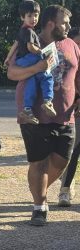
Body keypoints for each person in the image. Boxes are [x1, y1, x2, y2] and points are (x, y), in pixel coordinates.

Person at [7, 5, 80, 226]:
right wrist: (38, 67)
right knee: (38, 162)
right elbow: (12, 73)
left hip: (66, 114)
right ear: (51, 23)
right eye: (64, 22)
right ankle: (40, 206)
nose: (68, 26)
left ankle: (37, 187)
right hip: (34, 114)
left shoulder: (72, 46)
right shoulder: (29, 43)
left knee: (62, 160)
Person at [4, 1, 55, 125]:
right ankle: (48, 101)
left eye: (36, 15)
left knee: (30, 82)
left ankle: (27, 110)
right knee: (46, 75)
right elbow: (31, 47)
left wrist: (8, 58)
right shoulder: (30, 32)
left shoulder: (22, 30)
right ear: (22, 17)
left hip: (21, 61)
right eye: (30, 16)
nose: (33, 19)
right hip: (29, 58)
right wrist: (42, 52)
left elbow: (15, 45)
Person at [57, 26, 80, 207]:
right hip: (67, 110)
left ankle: (65, 188)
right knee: (69, 151)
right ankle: (65, 188)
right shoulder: (65, 61)